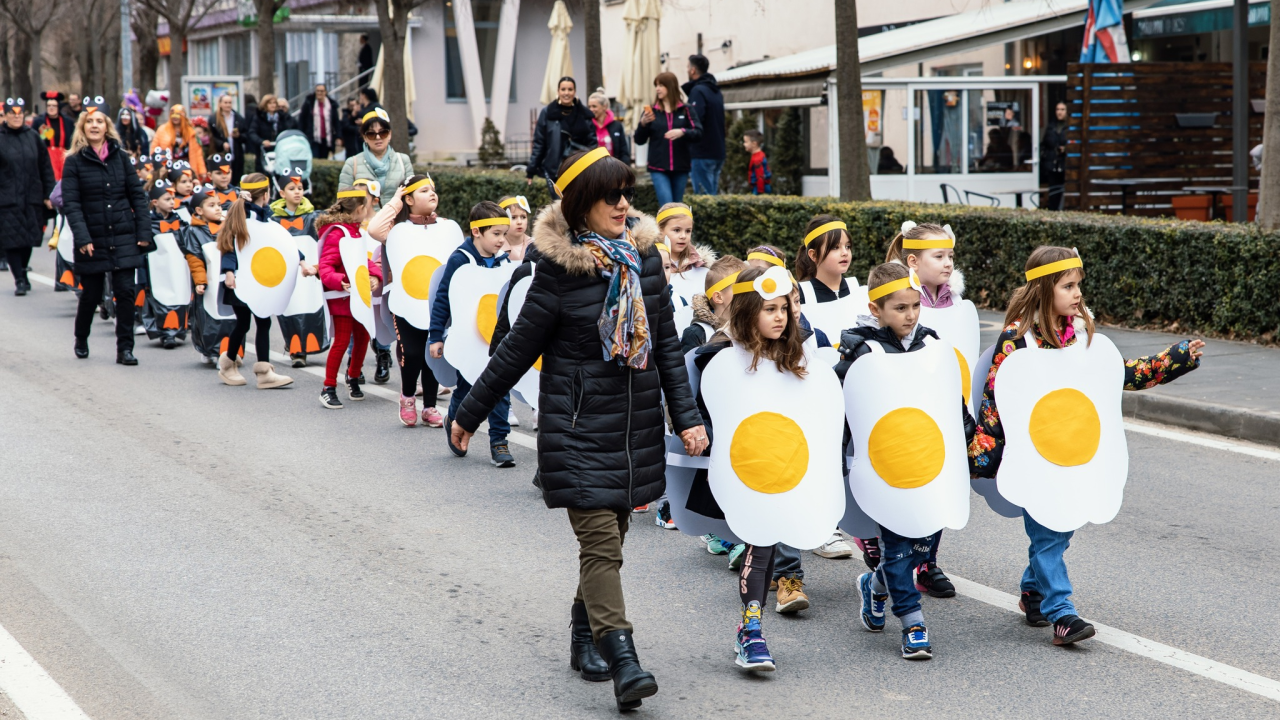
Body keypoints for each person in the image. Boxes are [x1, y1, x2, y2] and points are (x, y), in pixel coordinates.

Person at [449, 148, 706, 712]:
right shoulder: (556, 269)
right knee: (601, 544)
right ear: (581, 204)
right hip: (577, 427)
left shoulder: (645, 260)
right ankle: (623, 658)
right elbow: (517, 347)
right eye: (610, 196)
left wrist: (686, 418)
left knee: (610, 542)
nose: (622, 204)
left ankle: (583, 634)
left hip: (634, 427)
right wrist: (470, 411)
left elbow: (665, 345)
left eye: (626, 193)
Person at [969, 246, 1205, 645]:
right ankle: (1061, 612)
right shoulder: (1017, 340)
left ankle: (1033, 590)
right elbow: (995, 398)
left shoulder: (1081, 333)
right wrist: (985, 452)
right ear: (1043, 289)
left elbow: (1118, 374)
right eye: (1068, 286)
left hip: (1075, 453)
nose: (1077, 293)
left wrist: (1174, 358)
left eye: (1079, 284)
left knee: (1062, 529)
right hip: (1036, 458)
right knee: (1048, 534)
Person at [837, 262, 977, 661]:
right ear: (876, 309)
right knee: (897, 548)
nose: (911, 315)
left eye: (915, 306)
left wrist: (966, 433)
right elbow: (843, 407)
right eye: (900, 308)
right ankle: (913, 624)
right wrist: (837, 458)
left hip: (929, 464)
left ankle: (874, 586)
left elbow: (948, 395)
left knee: (921, 544)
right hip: (887, 469)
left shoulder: (931, 344)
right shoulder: (860, 353)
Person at [684, 264, 817, 671]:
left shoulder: (797, 356)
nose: (780, 317)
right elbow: (703, 415)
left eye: (784, 308)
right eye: (769, 309)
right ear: (747, 311)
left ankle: (751, 629)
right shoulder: (719, 358)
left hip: (786, 469)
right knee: (759, 546)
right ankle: (751, 630)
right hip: (744, 470)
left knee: (769, 545)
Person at [862, 221, 970, 599]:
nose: (947, 263)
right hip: (897, 424)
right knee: (902, 498)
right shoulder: (887, 304)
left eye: (950, 256)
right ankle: (885, 558)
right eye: (938, 256)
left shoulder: (958, 309)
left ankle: (927, 562)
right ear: (913, 261)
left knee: (935, 487)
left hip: (935, 418)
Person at [61, 98, 153, 365]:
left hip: (123, 234)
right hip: (92, 237)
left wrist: (143, 232)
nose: (94, 125)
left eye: (99, 121)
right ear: (82, 127)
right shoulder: (74, 161)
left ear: (107, 126)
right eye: (89, 121)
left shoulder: (121, 158)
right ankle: (81, 337)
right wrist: (82, 237)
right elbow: (72, 204)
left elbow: (137, 196)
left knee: (125, 293)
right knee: (91, 294)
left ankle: (125, 348)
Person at [427, 201, 516, 465]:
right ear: (477, 231)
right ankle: (453, 419)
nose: (501, 240)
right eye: (496, 234)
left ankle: (499, 442)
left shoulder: (504, 262)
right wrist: (436, 336)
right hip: (468, 338)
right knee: (467, 388)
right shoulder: (460, 259)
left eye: (504, 234)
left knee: (499, 388)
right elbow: (442, 299)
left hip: (497, 338)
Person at [366, 175, 448, 428]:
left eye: (433, 189)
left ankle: (430, 406)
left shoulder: (444, 227)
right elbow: (374, 230)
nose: (431, 193)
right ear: (409, 199)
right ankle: (408, 397)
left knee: (433, 353)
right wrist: (396, 200)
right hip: (404, 301)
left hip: (434, 302)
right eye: (424, 191)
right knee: (412, 352)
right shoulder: (396, 231)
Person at [217, 190, 316, 389]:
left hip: (258, 280)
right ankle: (228, 364)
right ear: (265, 195)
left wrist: (302, 261)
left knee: (263, 321)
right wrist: (228, 271)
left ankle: (263, 372)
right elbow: (229, 246)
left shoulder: (267, 220)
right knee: (243, 324)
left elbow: (284, 245)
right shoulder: (241, 217)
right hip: (240, 280)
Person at [316, 185, 383, 409]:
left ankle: (353, 377)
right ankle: (328, 388)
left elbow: (364, 260)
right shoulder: (337, 233)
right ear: (360, 209)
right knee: (342, 341)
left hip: (359, 296)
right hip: (342, 298)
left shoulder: (356, 232)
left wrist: (376, 276)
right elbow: (326, 267)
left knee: (363, 339)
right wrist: (339, 281)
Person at [0, 97, 55, 296]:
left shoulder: (33, 137)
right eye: (12, 114)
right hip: (7, 199)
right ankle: (19, 279)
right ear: (5, 115)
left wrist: (49, 194)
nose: (16, 117)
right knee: (12, 240)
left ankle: (23, 269)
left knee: (29, 238)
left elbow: (45, 167)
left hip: (32, 196)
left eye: (20, 114)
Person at [634, 72, 700, 207]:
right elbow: (639, 140)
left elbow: (698, 132)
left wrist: (682, 132)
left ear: (671, 86)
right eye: (656, 85)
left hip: (681, 166)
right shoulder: (651, 112)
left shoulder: (686, 110)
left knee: (677, 206)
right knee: (667, 205)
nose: (657, 89)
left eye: (661, 85)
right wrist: (643, 124)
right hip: (658, 167)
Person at [140, 178, 188, 348]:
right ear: (155, 202)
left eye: (173, 199)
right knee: (160, 299)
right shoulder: (148, 223)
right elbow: (143, 252)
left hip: (177, 268)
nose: (172, 202)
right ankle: (166, 333)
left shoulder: (180, 221)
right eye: (167, 199)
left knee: (179, 296)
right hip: (157, 270)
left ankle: (178, 330)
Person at [526, 77, 594, 186]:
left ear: (575, 91)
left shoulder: (584, 114)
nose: (566, 93)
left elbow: (592, 143)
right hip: (554, 171)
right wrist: (531, 170)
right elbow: (539, 143)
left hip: (580, 171)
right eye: (563, 89)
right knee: (557, 197)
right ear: (558, 91)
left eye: (570, 89)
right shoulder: (547, 113)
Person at [339, 106, 412, 208]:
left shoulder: (403, 160)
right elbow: (343, 201)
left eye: (383, 133)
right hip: (365, 218)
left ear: (389, 134)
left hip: (398, 217)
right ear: (365, 137)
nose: (378, 137)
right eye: (371, 134)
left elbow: (412, 197)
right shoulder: (352, 163)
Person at [679, 255, 742, 353]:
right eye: (739, 289)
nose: (748, 295)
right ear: (718, 297)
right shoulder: (697, 333)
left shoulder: (751, 330)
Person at [683, 54, 725, 195]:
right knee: (712, 197)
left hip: (702, 151)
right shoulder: (715, 91)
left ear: (693, 70)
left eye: (688, 67)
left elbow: (695, 121)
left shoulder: (698, 91)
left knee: (703, 198)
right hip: (717, 151)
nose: (687, 70)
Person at [151, 105, 206, 177]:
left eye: (178, 114)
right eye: (172, 114)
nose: (175, 117)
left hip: (187, 166)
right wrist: (154, 166)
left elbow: (198, 154)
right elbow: (154, 149)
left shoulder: (191, 131)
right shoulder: (162, 130)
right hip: (168, 166)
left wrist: (202, 171)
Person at [249, 95, 292, 173]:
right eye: (270, 103)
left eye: (274, 103)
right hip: (264, 152)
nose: (273, 105)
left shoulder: (282, 117)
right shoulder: (259, 117)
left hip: (280, 150)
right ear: (265, 105)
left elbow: (288, 130)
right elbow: (252, 132)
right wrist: (262, 141)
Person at [210, 94, 248, 182]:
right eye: (225, 102)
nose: (228, 105)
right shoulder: (214, 119)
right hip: (220, 154)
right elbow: (211, 137)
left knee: (236, 177)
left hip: (236, 153)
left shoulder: (238, 117)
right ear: (220, 104)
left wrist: (238, 136)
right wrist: (222, 144)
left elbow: (246, 135)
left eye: (230, 102)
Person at [587, 89, 630, 166]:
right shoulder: (587, 125)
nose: (591, 109)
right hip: (593, 169)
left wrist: (624, 168)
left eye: (594, 106)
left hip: (614, 168)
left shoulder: (617, 126)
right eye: (589, 106)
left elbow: (623, 151)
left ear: (604, 106)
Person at [300, 84, 339, 160]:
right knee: (314, 158)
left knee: (324, 159)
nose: (319, 93)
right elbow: (302, 120)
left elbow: (336, 122)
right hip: (313, 138)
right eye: (317, 91)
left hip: (326, 139)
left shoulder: (331, 105)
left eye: (321, 91)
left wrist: (338, 136)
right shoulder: (309, 103)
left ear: (325, 92)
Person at [1041, 101, 1068, 210]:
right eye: (1057, 109)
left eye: (1062, 109)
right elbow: (1045, 143)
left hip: (1065, 164)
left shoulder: (1070, 127)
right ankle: (1053, 211)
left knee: (1065, 190)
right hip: (1052, 164)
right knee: (1053, 192)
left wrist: (1066, 149)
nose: (1059, 112)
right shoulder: (1051, 126)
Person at [497, 195, 533, 264]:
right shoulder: (496, 248)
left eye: (523, 217)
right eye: (513, 217)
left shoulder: (535, 245)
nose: (519, 222)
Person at [743, 129, 771, 195]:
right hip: (760, 186)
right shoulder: (759, 155)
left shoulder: (757, 159)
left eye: (746, 142)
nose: (744, 144)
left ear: (754, 144)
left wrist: (760, 191)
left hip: (759, 187)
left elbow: (760, 176)